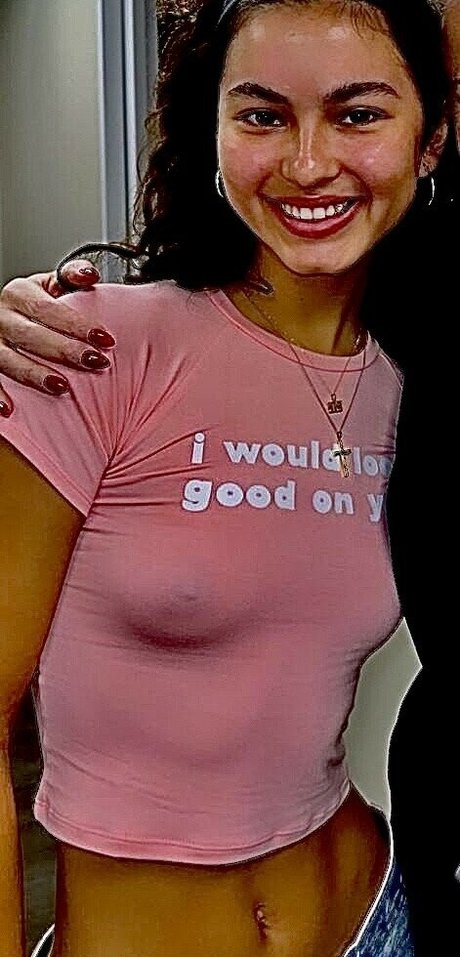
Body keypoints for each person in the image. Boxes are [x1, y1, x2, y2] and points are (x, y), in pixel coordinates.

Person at [0, 1, 452, 956]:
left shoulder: (415, 381)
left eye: (357, 114)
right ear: (211, 132)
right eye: (262, 115)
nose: (308, 163)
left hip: (377, 919)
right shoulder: (89, 348)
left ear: (430, 141)